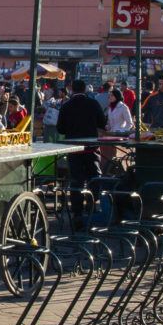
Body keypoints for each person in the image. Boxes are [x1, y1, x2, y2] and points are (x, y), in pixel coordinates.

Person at [57, 78, 107, 227]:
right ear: (85, 89)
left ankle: (77, 213)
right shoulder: (93, 104)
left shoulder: (66, 106)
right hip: (91, 147)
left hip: (74, 148)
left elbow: (60, 129)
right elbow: (102, 123)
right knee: (94, 177)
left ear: (72, 89)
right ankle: (92, 205)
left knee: (76, 181)